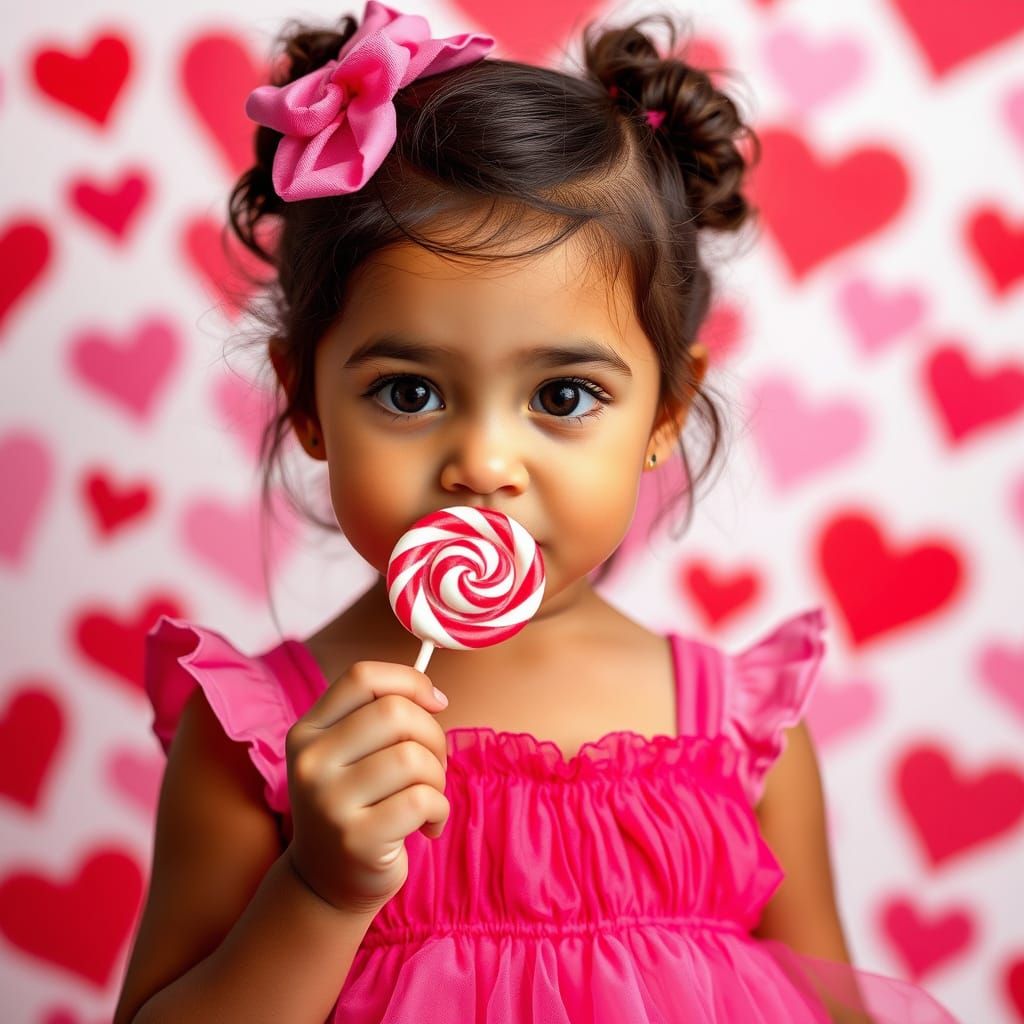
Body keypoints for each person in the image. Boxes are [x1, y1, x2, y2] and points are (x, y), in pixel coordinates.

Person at [113, 3, 962, 1022]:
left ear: (666, 410)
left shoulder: (742, 739)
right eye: (409, 392)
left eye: (561, 396)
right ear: (305, 402)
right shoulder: (256, 740)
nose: (483, 463)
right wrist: (319, 889)